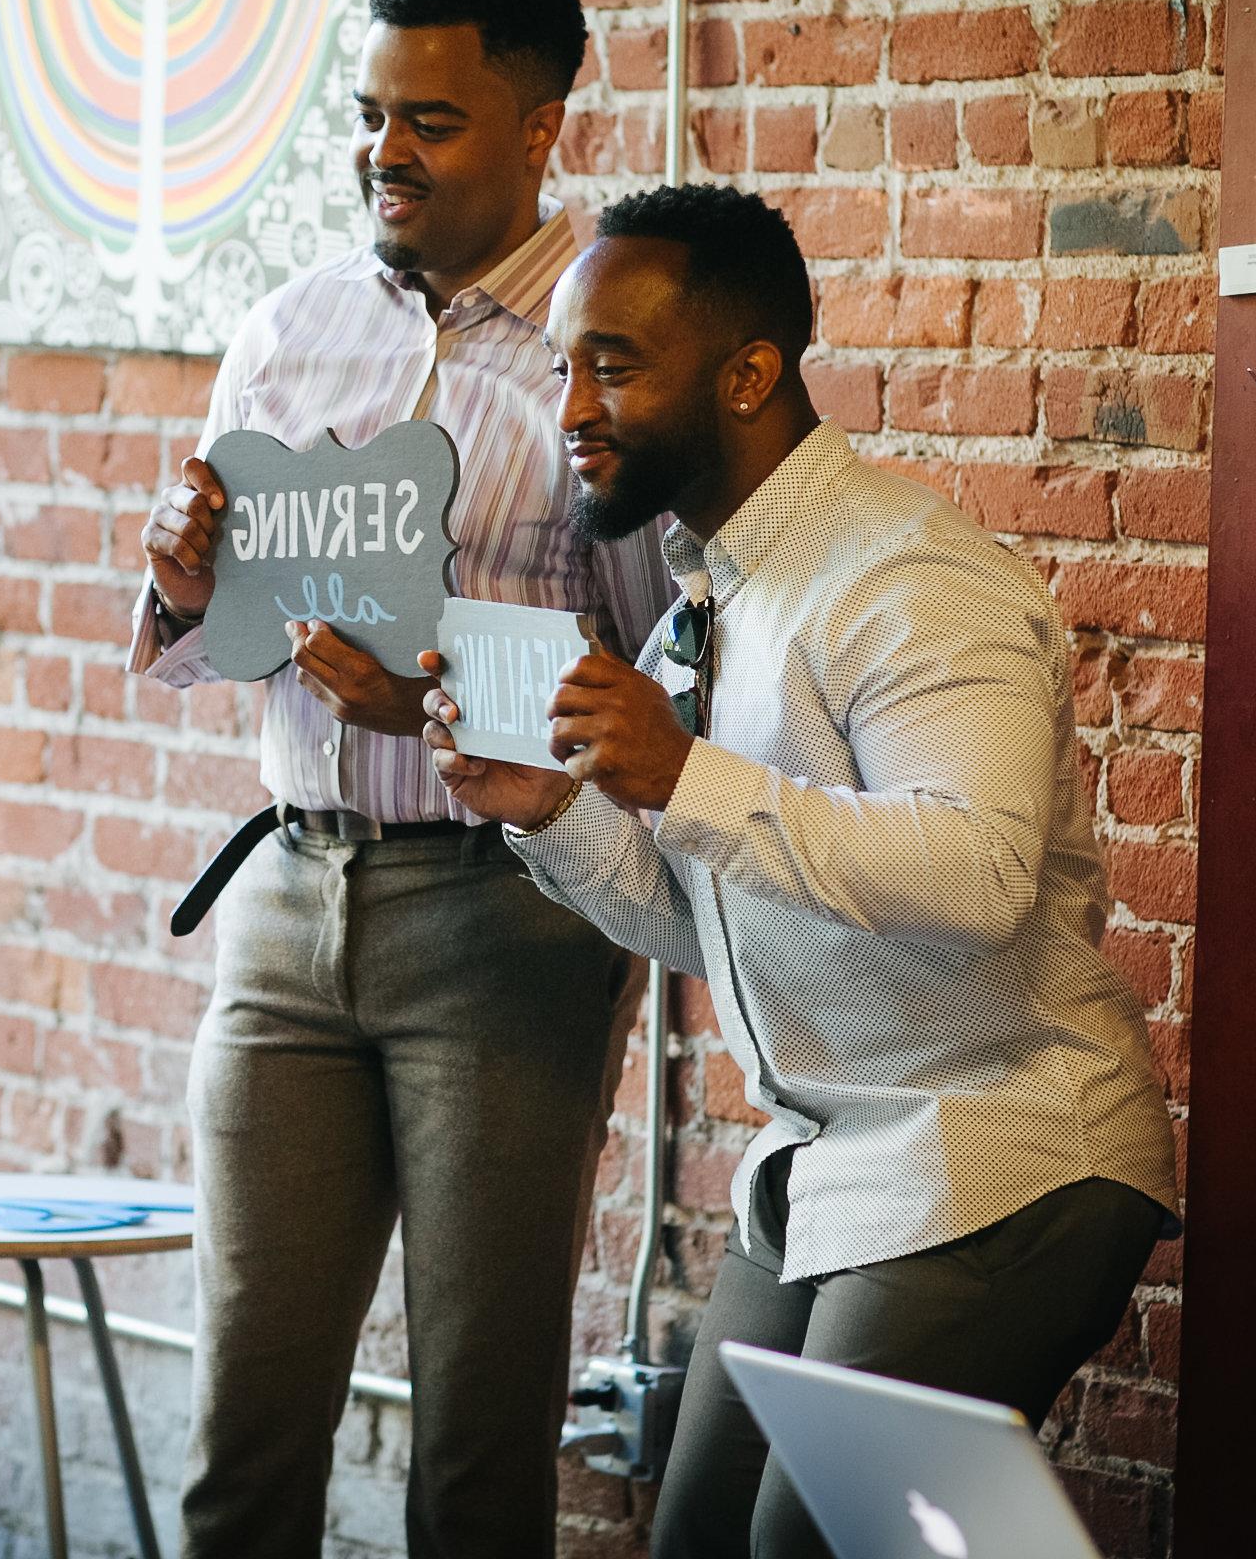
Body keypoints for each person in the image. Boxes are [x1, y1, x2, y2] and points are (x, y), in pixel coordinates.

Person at [423, 183, 1179, 1559]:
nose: (570, 406)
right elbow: (709, 911)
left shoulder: (907, 579)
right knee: (701, 1536)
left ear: (750, 373)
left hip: (998, 1150)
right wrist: (555, 815)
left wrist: (682, 776)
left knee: (807, 1545)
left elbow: (983, 867)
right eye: (561, 367)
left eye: (614, 365)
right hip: (826, 1164)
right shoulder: (709, 595)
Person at [133, 0, 670, 1556]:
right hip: (285, 904)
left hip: (506, 922)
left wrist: (437, 694)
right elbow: (211, 627)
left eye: (428, 120)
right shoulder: (287, 331)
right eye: (370, 113)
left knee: (477, 1453)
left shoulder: (608, 354)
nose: (384, 151)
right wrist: (176, 577)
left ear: (538, 126)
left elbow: (671, 680)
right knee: (241, 1434)